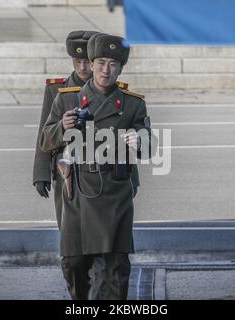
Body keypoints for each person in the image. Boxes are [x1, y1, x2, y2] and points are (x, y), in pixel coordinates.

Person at [41, 33, 154, 300]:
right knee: (74, 263)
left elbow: (150, 146)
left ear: (120, 68)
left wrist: (140, 140)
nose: (106, 69)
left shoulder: (132, 103)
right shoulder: (67, 99)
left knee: (115, 268)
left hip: (116, 192)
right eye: (101, 62)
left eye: (113, 64)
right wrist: (61, 127)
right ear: (90, 64)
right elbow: (45, 140)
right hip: (78, 193)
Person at [33, 30, 98, 228]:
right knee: (68, 231)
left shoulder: (109, 90)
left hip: (99, 170)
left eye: (87, 61)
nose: (83, 67)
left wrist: (132, 180)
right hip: (66, 170)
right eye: (77, 61)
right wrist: (41, 174)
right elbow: (44, 132)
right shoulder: (56, 90)